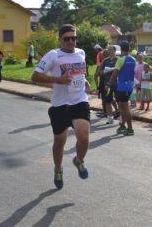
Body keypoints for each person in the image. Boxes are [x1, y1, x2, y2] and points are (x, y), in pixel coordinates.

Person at [31, 24, 91, 189]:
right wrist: (58, 80)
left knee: (84, 136)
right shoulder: (53, 55)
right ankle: (58, 169)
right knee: (59, 142)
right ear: (60, 39)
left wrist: (84, 81)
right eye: (67, 38)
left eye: (74, 38)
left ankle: (78, 160)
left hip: (79, 101)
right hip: (59, 105)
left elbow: (79, 73)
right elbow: (34, 76)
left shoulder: (81, 53)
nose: (71, 41)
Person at [109, 41, 135, 136]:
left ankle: (130, 128)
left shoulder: (120, 60)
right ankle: (123, 125)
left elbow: (115, 73)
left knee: (125, 108)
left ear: (121, 49)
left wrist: (109, 84)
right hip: (130, 85)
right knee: (121, 107)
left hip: (122, 85)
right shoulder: (133, 59)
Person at [99, 45, 118, 124]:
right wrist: (106, 71)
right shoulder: (105, 61)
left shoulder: (118, 60)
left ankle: (120, 117)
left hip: (117, 83)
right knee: (107, 100)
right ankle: (110, 118)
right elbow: (100, 72)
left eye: (111, 49)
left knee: (120, 100)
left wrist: (113, 70)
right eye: (109, 49)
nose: (110, 51)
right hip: (107, 84)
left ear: (114, 51)